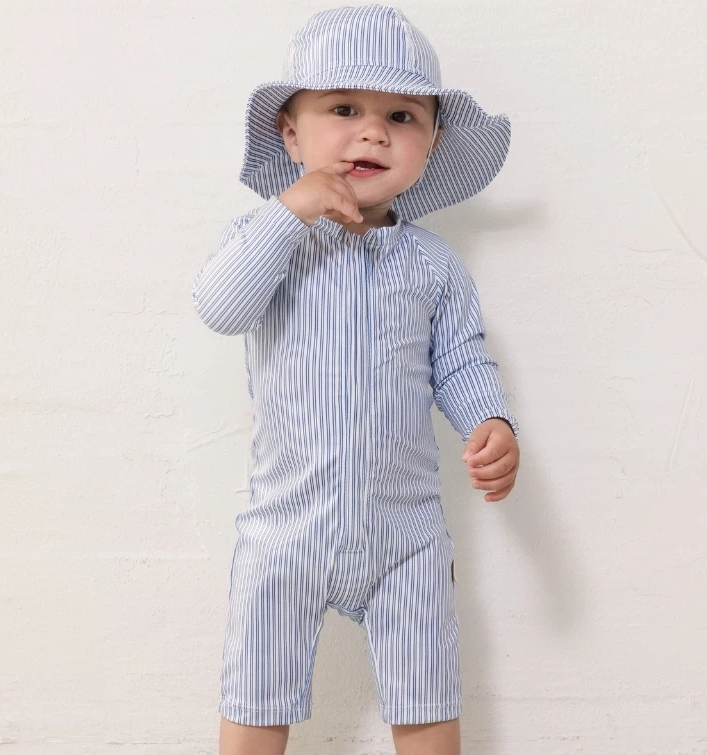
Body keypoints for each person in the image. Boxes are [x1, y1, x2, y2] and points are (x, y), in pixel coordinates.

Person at [191, 5, 521, 754]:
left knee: (427, 693)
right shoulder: (267, 241)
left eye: (401, 116)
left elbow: (460, 360)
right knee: (256, 693)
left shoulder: (434, 264)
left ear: (431, 144)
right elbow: (220, 306)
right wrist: (288, 214)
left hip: (405, 531)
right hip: (286, 527)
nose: (373, 133)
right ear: (291, 133)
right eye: (343, 109)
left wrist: (490, 422)